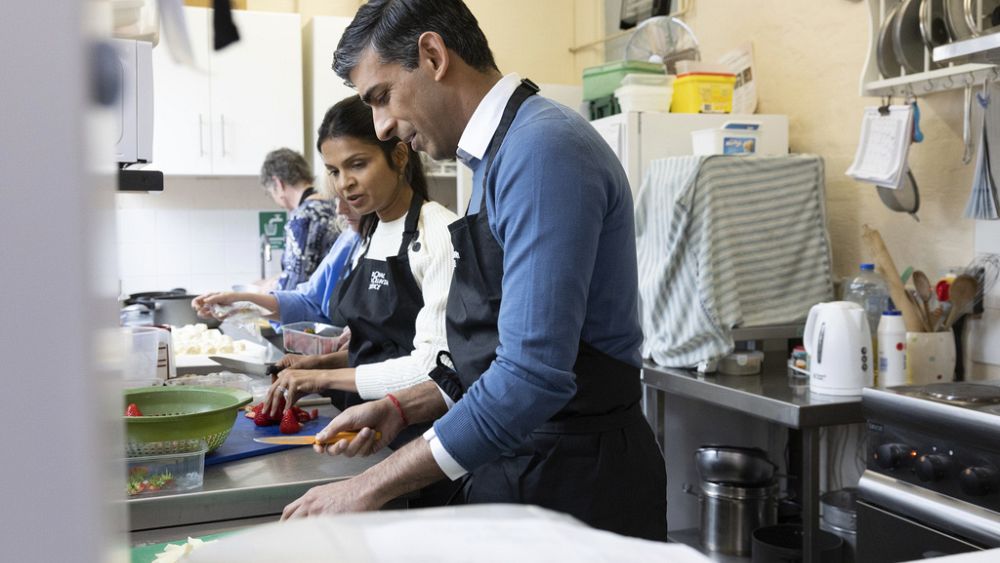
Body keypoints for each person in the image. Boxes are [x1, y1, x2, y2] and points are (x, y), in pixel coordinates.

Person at [280, 0, 667, 542]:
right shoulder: (495, 160)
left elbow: (529, 378)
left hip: (575, 481)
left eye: (382, 97)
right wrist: (399, 407)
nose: (384, 126)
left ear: (433, 54)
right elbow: (489, 356)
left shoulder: (543, 151)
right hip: (526, 464)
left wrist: (370, 484)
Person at [259, 95, 458, 426]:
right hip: (359, 425)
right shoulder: (371, 235)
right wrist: (317, 365)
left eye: (358, 164)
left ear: (397, 156)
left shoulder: (437, 233)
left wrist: (323, 378)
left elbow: (432, 367)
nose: (343, 184)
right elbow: (382, 350)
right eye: (334, 171)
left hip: (413, 431)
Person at [261, 147, 341, 291]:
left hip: (314, 310)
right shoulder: (335, 205)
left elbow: (293, 288)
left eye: (271, 192)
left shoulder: (301, 218)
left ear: (278, 184)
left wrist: (263, 290)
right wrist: (277, 279)